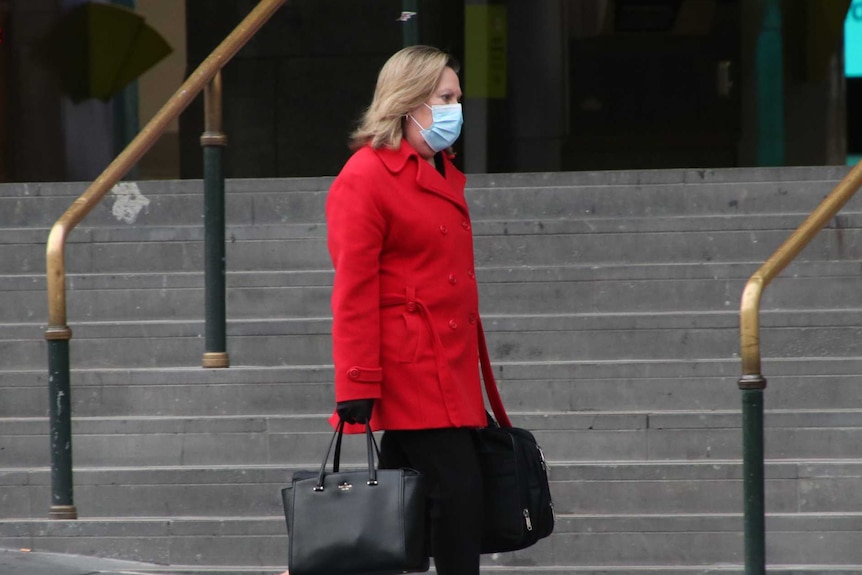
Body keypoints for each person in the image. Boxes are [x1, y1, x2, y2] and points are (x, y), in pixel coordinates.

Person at [325, 45, 487, 575]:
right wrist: (355, 384)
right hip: (412, 369)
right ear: (409, 102)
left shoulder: (438, 169)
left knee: (401, 511)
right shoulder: (366, 176)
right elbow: (353, 288)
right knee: (457, 499)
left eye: (456, 97)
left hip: (449, 365)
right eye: (444, 97)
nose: (455, 109)